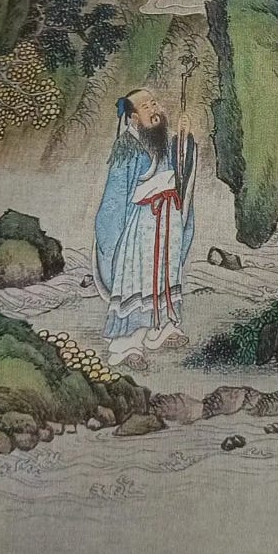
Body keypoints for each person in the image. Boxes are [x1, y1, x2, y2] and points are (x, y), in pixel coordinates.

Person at [93, 88, 198, 370]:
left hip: (168, 220)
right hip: (141, 226)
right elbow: (115, 195)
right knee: (138, 281)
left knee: (165, 274)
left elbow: (179, 172)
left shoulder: (162, 140)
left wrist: (184, 139)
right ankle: (126, 345)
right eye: (145, 107)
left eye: (154, 103)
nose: (154, 109)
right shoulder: (127, 146)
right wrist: (109, 238)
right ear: (134, 118)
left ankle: (162, 329)